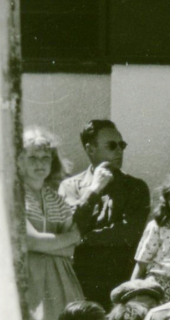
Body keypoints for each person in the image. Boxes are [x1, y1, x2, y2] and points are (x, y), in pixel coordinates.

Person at [61, 120, 151, 304]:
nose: (119, 151)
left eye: (122, 145)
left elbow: (130, 233)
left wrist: (84, 238)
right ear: (90, 149)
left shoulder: (135, 187)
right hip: (80, 281)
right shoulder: (70, 186)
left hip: (121, 279)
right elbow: (70, 224)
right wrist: (94, 190)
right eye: (112, 145)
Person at [20, 127, 86, 320]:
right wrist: (66, 238)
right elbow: (31, 241)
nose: (40, 163)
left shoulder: (57, 199)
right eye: (32, 157)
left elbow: (73, 247)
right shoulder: (14, 196)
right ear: (19, 161)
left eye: (45, 157)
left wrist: (56, 243)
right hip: (28, 280)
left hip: (61, 281)